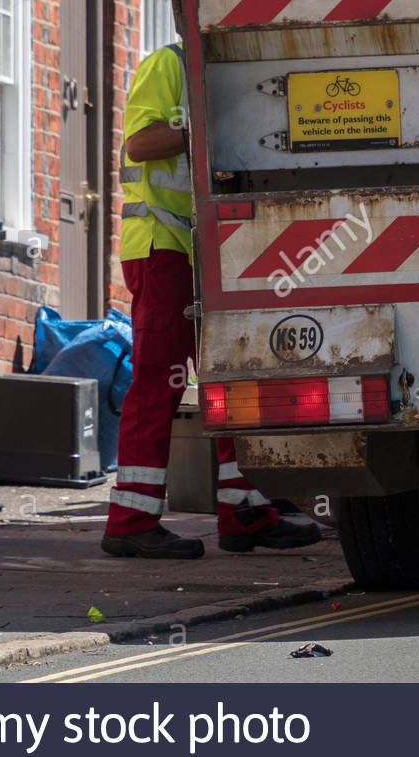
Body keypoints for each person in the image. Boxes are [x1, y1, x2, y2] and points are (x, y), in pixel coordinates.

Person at [101, 42, 321, 559]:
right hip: (163, 247)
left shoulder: (226, 66)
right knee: (160, 381)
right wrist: (208, 130)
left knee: (232, 378)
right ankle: (130, 522)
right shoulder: (168, 64)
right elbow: (140, 143)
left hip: (206, 252)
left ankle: (244, 510)